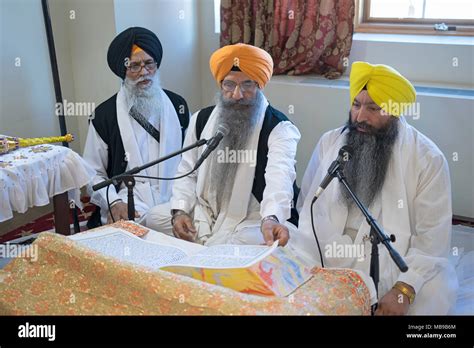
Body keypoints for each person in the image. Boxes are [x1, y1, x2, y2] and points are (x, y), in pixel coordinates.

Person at [291, 61, 458, 315]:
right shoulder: (330, 142)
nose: (360, 117)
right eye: (356, 104)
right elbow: (308, 204)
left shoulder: (428, 160)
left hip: (397, 259)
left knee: (430, 295)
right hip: (332, 251)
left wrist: (404, 290)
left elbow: (432, 240)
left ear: (395, 111)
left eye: (373, 108)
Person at [147, 43, 301, 247]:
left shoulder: (279, 128)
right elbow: (187, 170)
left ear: (259, 85)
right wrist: (180, 211)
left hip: (252, 217)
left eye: (247, 85)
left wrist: (271, 218)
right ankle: (205, 244)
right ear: (221, 85)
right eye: (229, 84)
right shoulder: (201, 119)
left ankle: (206, 247)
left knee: (242, 241)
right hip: (206, 211)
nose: (237, 94)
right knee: (153, 217)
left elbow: (279, 177)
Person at [83, 27, 190, 227]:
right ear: (122, 70)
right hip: (130, 197)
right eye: (134, 66)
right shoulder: (104, 115)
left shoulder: (178, 106)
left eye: (149, 64)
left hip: (176, 192)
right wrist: (113, 202)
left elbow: (192, 161)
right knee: (140, 231)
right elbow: (92, 172)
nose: (144, 72)